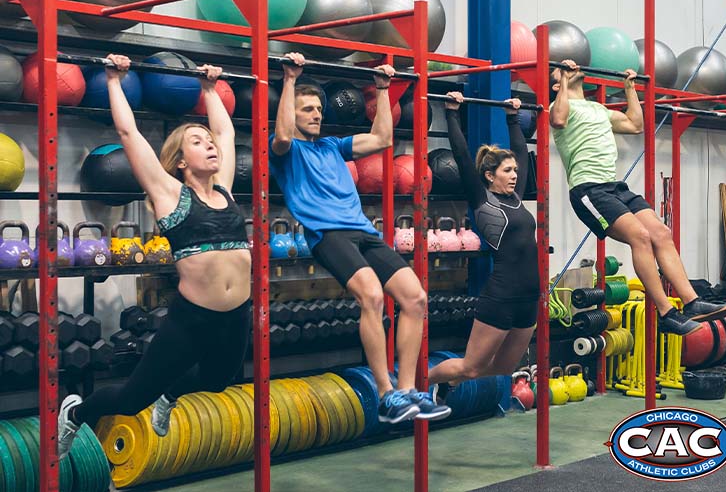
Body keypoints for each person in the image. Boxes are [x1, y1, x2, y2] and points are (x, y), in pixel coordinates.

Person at [58, 54, 252, 457]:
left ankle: (171, 395)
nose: (211, 145)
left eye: (209, 141)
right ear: (181, 162)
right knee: (131, 401)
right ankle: (76, 414)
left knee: (219, 381)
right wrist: (113, 81)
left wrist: (210, 89)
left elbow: (227, 133)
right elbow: (128, 133)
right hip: (192, 319)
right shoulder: (168, 194)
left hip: (237, 313)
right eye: (197, 143)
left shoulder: (225, 190)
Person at [270, 52, 450, 423]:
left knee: (415, 298)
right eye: (307, 109)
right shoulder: (286, 151)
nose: (316, 114)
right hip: (326, 234)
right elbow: (284, 133)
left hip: (362, 232)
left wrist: (383, 91)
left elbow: (383, 137)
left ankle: (407, 391)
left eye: (318, 108)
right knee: (371, 295)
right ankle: (385, 394)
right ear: (293, 112)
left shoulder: (332, 146)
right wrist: (289, 79)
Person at [549, 59, 726, 335]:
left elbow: (635, 125)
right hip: (588, 190)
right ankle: (667, 313)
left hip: (614, 187)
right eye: (561, 69)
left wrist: (629, 88)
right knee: (641, 237)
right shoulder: (559, 106)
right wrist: (562, 81)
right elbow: (558, 120)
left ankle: (692, 301)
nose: (573, 68)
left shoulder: (599, 109)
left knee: (660, 232)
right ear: (556, 82)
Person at [427, 93, 539, 403]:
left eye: (515, 170)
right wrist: (452, 112)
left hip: (530, 297)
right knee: (471, 367)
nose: (515, 175)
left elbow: (519, 149)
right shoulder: (483, 200)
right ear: (489, 176)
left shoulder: (516, 200)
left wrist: (512, 117)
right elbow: (462, 156)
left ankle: (450, 383)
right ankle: (416, 382)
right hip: (501, 296)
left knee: (504, 367)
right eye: (507, 171)